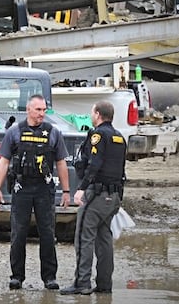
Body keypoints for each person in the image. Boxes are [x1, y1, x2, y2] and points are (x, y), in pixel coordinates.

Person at [0, 94, 71, 291]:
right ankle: (17, 277)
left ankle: (49, 277)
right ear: (28, 110)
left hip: (44, 189)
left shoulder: (53, 133)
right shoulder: (14, 132)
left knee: (47, 233)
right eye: (38, 110)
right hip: (22, 189)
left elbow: (61, 162)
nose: (42, 113)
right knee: (18, 234)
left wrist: (66, 191)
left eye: (44, 110)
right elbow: (4, 161)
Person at [61, 100, 127, 295]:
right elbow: (121, 169)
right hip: (113, 196)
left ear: (98, 114)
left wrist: (81, 188)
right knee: (104, 238)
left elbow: (95, 164)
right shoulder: (119, 137)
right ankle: (105, 284)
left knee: (84, 237)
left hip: (97, 195)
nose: (91, 116)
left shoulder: (98, 135)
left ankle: (82, 283)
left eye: (92, 112)